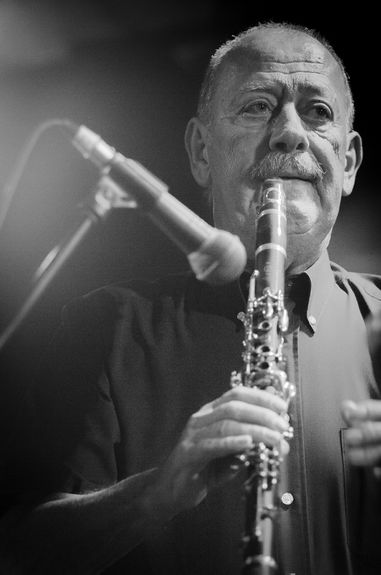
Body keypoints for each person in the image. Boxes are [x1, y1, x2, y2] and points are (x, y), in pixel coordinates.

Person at [1, 20, 381, 575]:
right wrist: (160, 490)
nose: (290, 134)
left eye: (318, 113)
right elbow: (18, 555)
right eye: (257, 107)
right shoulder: (105, 326)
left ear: (347, 164)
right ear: (201, 151)